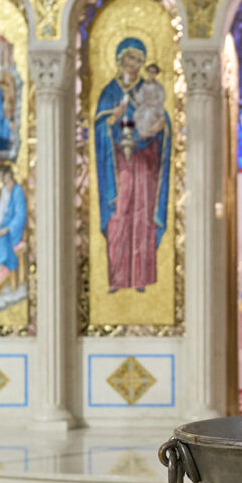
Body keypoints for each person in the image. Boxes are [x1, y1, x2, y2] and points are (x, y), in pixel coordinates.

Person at [93, 36, 171, 294]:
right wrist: (110, 120)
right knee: (119, 214)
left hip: (143, 161)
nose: (133, 65)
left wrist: (159, 129)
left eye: (138, 60)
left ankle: (140, 276)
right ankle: (117, 277)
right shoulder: (110, 92)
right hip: (117, 165)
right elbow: (99, 125)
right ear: (119, 59)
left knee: (142, 215)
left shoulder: (147, 90)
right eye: (129, 58)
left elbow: (162, 120)